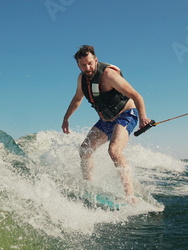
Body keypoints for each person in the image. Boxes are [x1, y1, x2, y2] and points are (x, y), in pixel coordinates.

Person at [62, 45, 152, 204]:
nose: (87, 68)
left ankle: (130, 195)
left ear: (95, 60)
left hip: (126, 115)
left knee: (114, 150)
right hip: (105, 121)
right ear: (78, 65)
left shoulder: (109, 75)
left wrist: (143, 118)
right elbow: (77, 99)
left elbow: (137, 96)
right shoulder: (82, 79)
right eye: (83, 65)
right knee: (84, 150)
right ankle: (88, 187)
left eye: (90, 63)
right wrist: (66, 118)